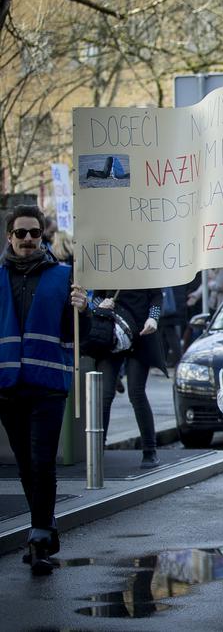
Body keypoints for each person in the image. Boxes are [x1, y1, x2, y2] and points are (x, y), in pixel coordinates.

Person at [0, 205, 89, 575]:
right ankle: (46, 526)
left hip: (49, 384)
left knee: (41, 463)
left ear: (43, 236)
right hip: (7, 386)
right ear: (9, 236)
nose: (27, 240)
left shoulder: (66, 277)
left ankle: (38, 541)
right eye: (20, 233)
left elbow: (77, 337)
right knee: (24, 466)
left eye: (33, 233)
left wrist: (82, 311)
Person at [92, 285, 166, 469]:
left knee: (136, 392)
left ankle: (150, 450)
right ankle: (96, 451)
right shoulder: (106, 263)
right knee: (104, 395)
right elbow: (96, 297)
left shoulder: (145, 265)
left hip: (141, 333)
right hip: (112, 331)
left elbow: (156, 296)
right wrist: (101, 304)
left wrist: (153, 318)